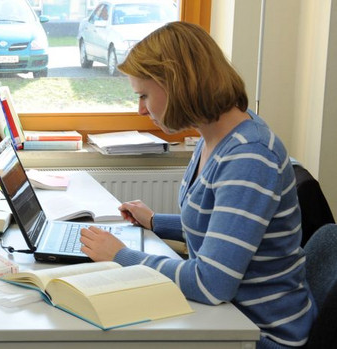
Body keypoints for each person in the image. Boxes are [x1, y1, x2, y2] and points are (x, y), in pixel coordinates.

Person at [79, 22, 316, 348]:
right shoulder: (215, 137)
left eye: (144, 95)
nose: (141, 109)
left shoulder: (249, 157)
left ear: (177, 84)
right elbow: (222, 226)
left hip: (261, 333)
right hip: (230, 318)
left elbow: (210, 283)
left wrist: (121, 255)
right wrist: (155, 222)